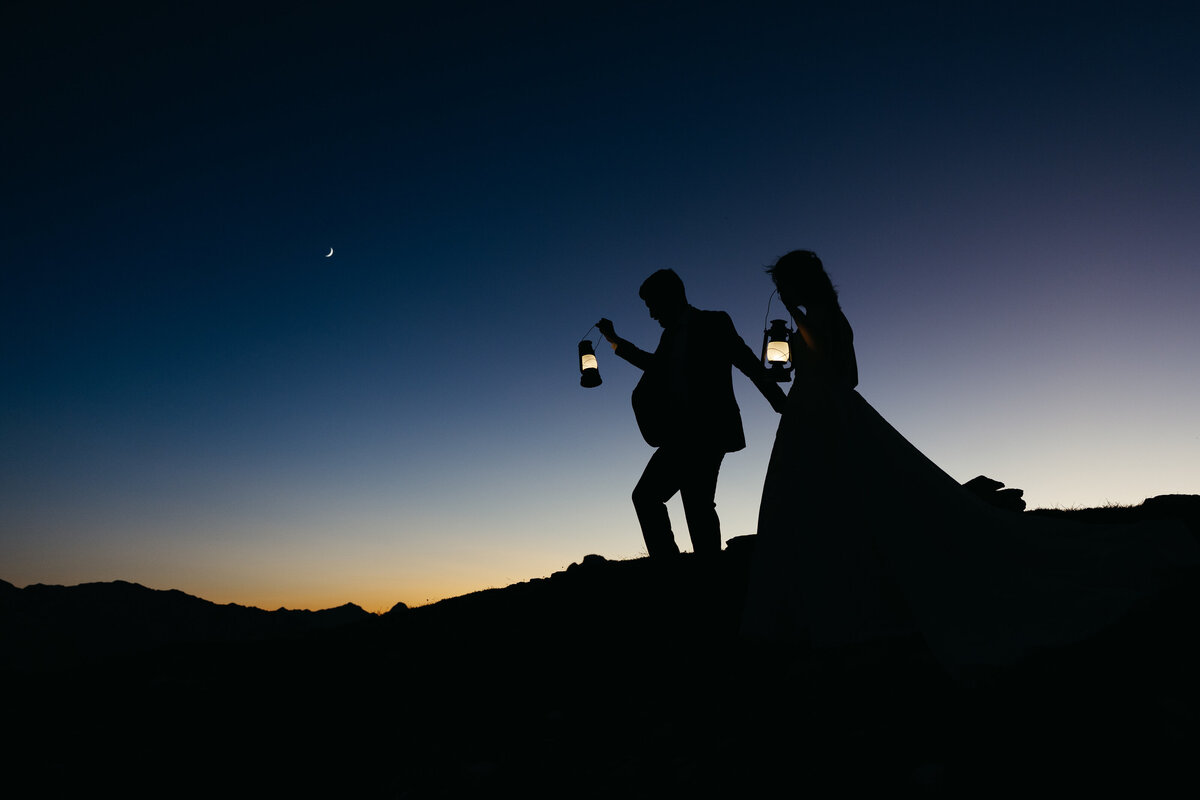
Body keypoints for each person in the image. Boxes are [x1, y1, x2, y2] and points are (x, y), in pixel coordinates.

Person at [744, 250, 1200, 676]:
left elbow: (849, 375)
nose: (784, 291)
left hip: (831, 418)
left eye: (787, 283)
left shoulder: (828, 318)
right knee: (810, 507)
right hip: (807, 418)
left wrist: (805, 342)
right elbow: (800, 368)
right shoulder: (800, 323)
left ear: (804, 282)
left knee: (848, 500)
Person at [598, 268, 787, 558]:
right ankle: (676, 570)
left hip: (710, 431)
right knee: (647, 498)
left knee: (696, 506)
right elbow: (653, 366)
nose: (651, 314)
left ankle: (706, 579)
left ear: (671, 297)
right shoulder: (669, 337)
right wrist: (614, 340)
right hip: (679, 435)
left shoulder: (715, 321)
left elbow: (748, 363)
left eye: (653, 306)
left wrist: (781, 404)